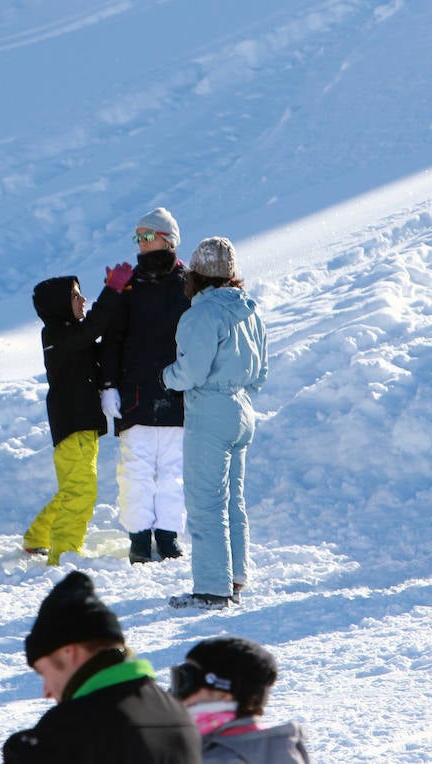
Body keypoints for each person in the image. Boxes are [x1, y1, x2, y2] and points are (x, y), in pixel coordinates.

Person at [163, 237, 267, 609]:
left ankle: (211, 589)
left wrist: (167, 377)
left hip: (210, 411)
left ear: (196, 275)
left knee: (206, 502)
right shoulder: (249, 311)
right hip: (242, 407)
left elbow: (191, 371)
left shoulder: (201, 314)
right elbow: (261, 373)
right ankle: (235, 578)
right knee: (233, 501)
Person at [3, 571, 200, 763]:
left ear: (68, 652)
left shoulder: (69, 731)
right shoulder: (177, 714)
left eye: (43, 672)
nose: (46, 691)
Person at [99, 207, 191, 564]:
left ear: (167, 238)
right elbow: (112, 338)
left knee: (173, 470)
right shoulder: (129, 285)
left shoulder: (189, 283)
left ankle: (168, 535)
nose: (140, 243)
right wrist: (108, 385)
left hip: (177, 392)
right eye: (137, 237)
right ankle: (139, 537)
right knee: (134, 470)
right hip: (133, 391)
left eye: (146, 235)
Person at [22, 276, 115, 565]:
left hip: (81, 425)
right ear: (59, 306)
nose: (82, 300)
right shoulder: (57, 335)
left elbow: (96, 345)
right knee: (81, 492)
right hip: (73, 425)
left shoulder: (70, 335)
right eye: (75, 296)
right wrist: (111, 292)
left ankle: (37, 537)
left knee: (72, 488)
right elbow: (92, 330)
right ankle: (63, 553)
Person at [170, 637, 312, 763]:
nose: (175, 695)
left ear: (222, 694)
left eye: (183, 682)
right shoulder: (284, 750)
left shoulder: (217, 758)